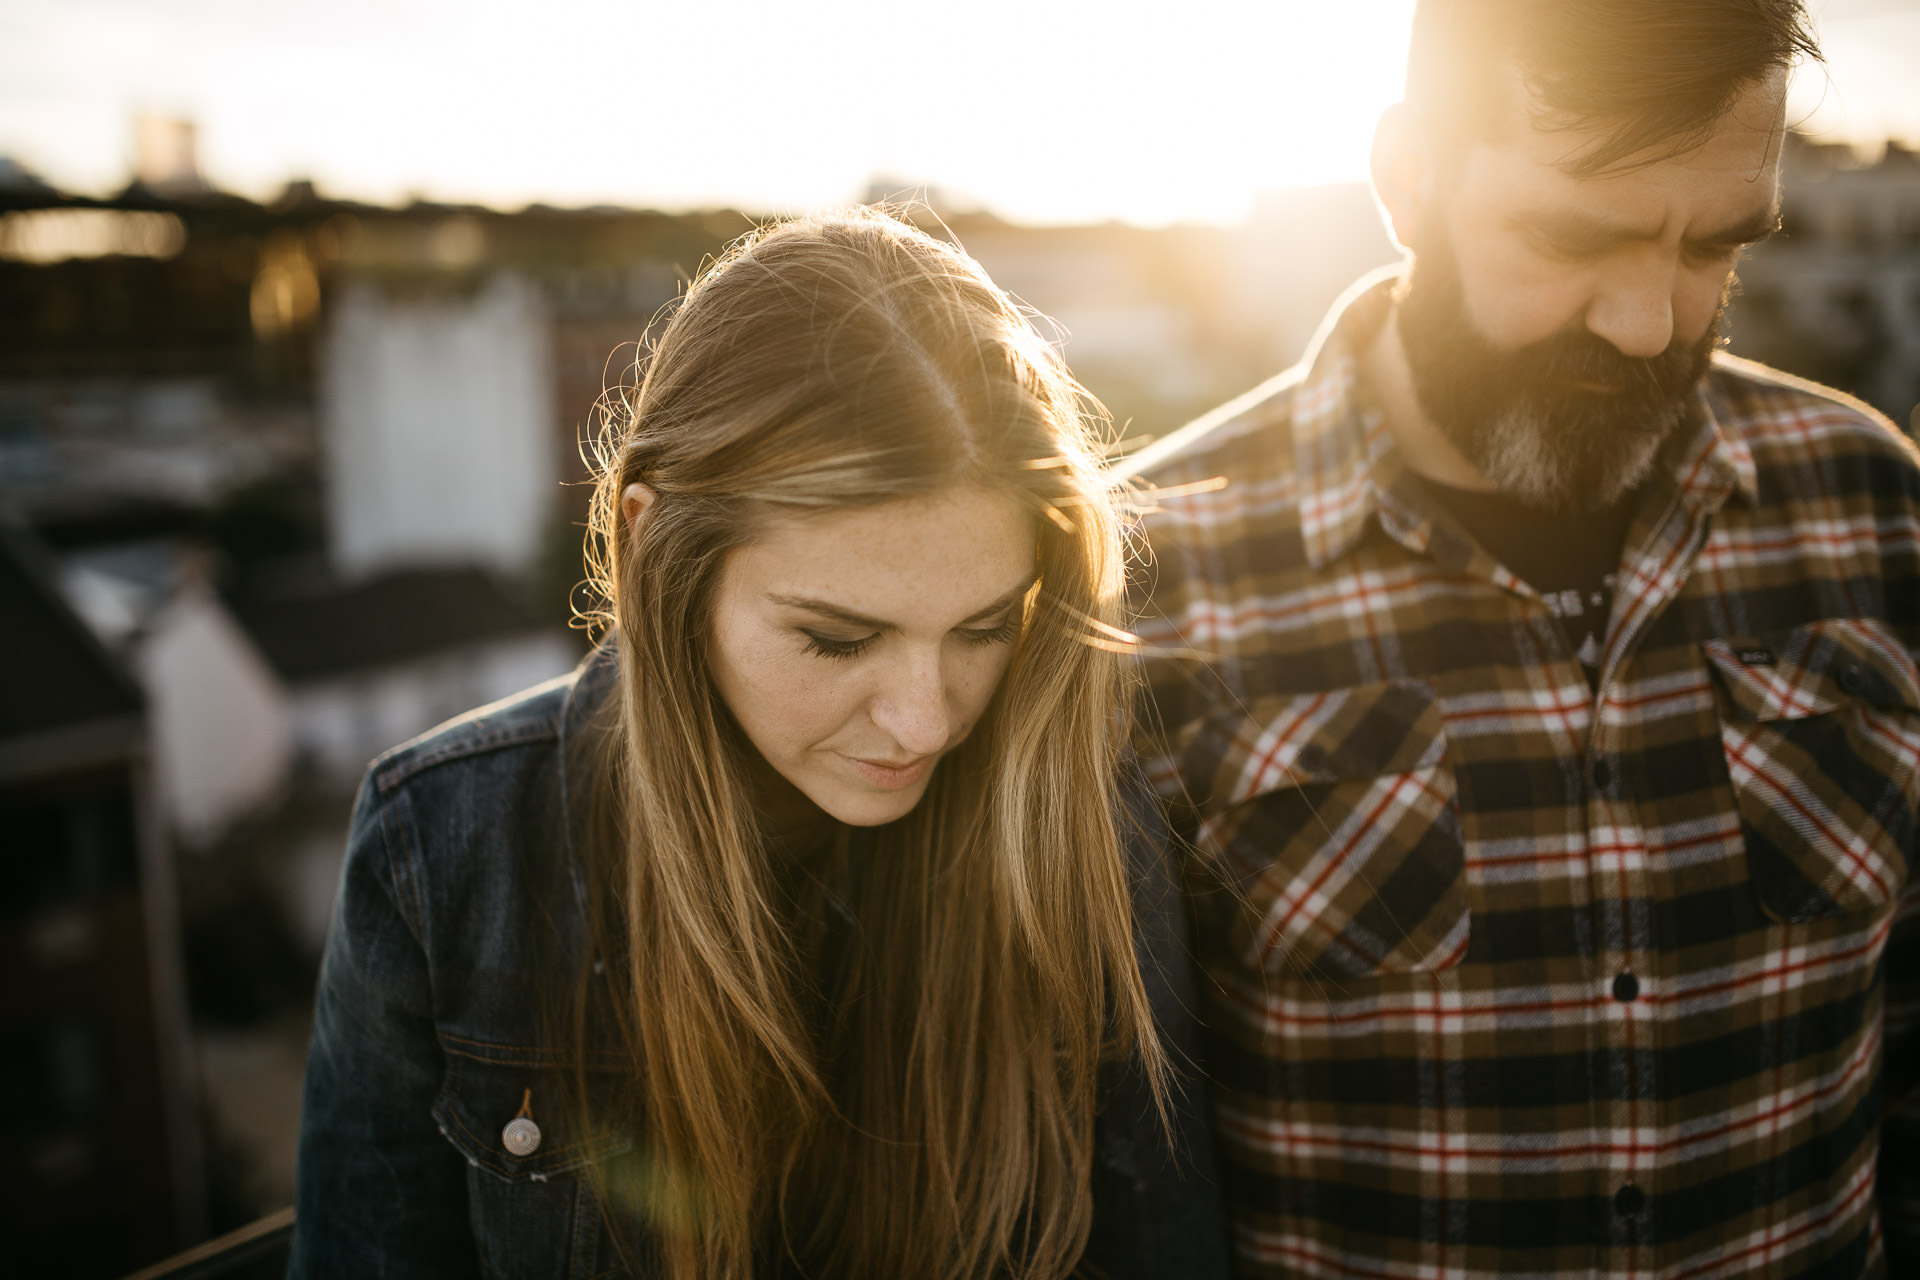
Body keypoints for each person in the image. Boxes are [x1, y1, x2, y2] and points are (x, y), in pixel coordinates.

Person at [1126, 1, 1920, 1275]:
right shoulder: (1149, 576)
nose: (1651, 322)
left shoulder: (1873, 502)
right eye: (1576, 235)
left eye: (1718, 247)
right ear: (1409, 178)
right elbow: (1116, 1166)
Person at [289, 210, 1229, 1280]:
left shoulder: (1079, 817)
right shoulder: (443, 851)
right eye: (836, 637)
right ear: (651, 546)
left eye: (982, 627)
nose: (927, 721)